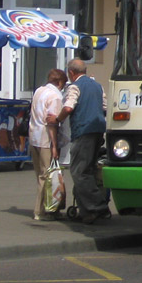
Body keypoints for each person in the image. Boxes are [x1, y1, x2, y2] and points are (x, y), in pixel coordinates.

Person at [49, 58, 110, 224]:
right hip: (98, 130)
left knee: (79, 172)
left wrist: (57, 119)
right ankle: (87, 211)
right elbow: (104, 108)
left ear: (71, 73)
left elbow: (68, 107)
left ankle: (97, 207)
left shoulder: (74, 87)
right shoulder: (97, 86)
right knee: (88, 170)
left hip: (83, 131)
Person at [29, 69, 67, 221]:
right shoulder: (56, 96)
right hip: (45, 139)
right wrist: (54, 145)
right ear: (59, 82)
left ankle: (45, 208)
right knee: (47, 176)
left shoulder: (39, 90)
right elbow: (52, 123)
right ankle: (41, 211)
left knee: (40, 175)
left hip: (34, 136)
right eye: (63, 84)